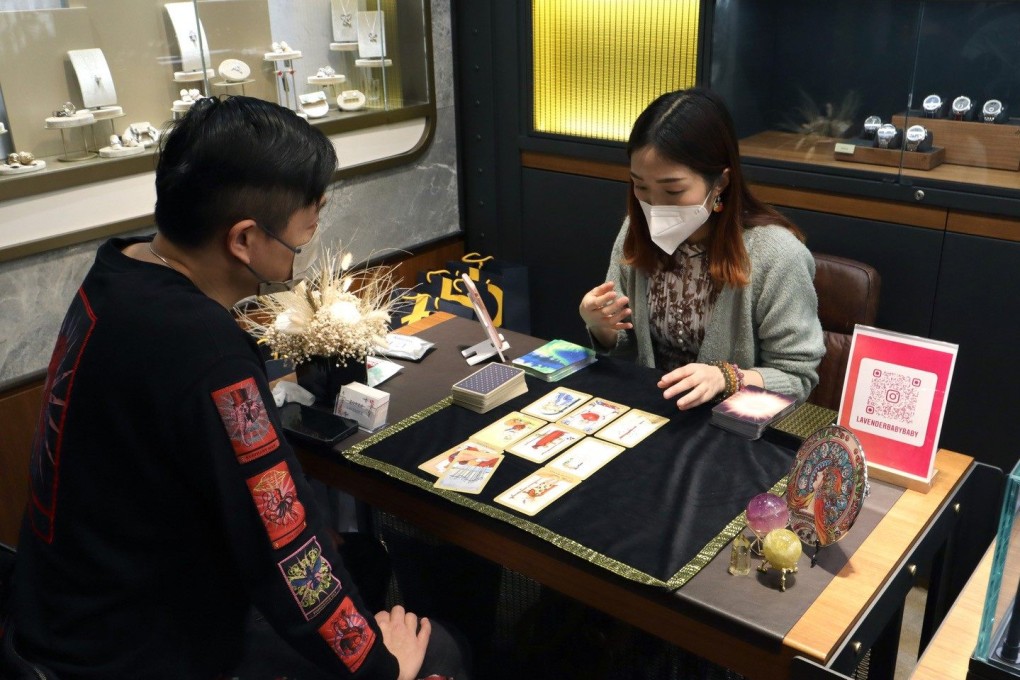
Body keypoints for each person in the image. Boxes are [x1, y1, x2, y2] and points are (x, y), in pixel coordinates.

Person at [3, 96, 466, 680]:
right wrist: (380, 665)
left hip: (58, 611)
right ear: (244, 239)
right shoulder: (204, 351)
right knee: (439, 655)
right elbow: (282, 540)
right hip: (130, 649)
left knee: (357, 560)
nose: (298, 259)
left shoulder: (118, 270)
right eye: (300, 242)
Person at [579, 87, 825, 409]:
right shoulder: (635, 229)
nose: (654, 206)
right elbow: (628, 351)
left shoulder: (777, 256)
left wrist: (727, 378)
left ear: (720, 182)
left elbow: (797, 378)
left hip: (728, 428)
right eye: (641, 186)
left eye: (673, 190)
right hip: (649, 413)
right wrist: (601, 326)